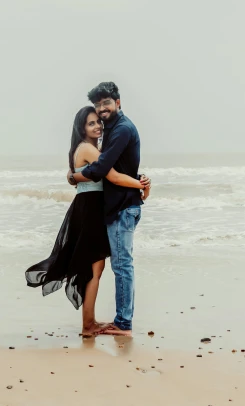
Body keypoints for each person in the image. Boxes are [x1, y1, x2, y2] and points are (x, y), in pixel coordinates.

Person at [25, 106, 150, 337]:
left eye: (98, 122)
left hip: (89, 206)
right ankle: (88, 325)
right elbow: (111, 176)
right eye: (91, 123)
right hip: (91, 208)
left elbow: (74, 176)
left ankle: (89, 321)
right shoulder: (88, 149)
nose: (97, 126)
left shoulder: (88, 149)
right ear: (81, 127)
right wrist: (140, 183)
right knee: (94, 267)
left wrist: (74, 176)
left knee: (94, 266)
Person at [68, 82, 148, 337]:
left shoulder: (121, 130)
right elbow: (108, 167)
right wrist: (139, 183)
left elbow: (105, 171)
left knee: (120, 265)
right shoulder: (110, 132)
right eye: (98, 105)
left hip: (123, 207)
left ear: (118, 102)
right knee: (109, 266)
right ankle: (108, 322)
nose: (102, 110)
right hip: (116, 207)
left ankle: (123, 324)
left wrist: (75, 177)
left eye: (106, 103)